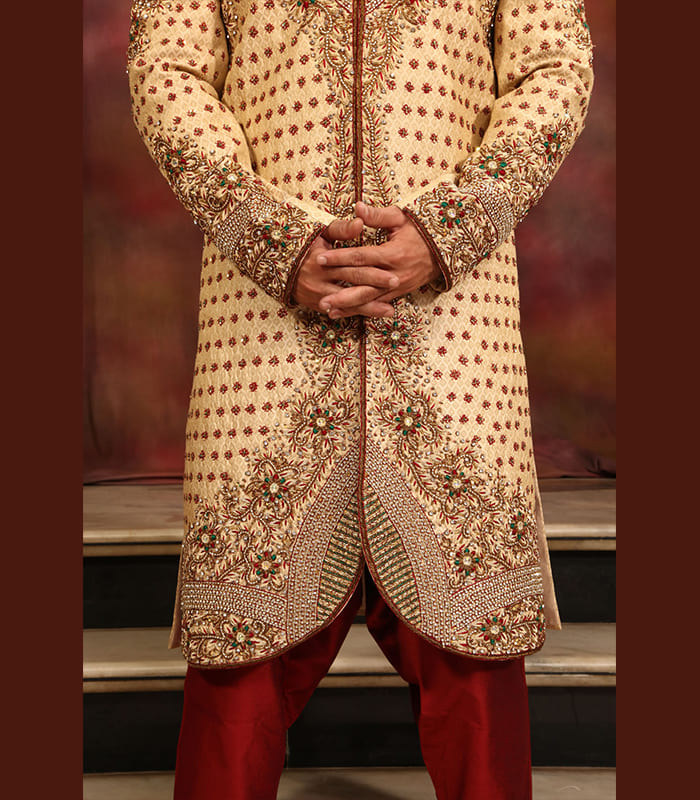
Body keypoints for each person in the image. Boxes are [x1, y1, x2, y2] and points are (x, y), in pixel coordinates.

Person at [127, 1, 594, 797]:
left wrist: (450, 227)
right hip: (265, 333)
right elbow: (167, 69)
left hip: (452, 328)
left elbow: (552, 68)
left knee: (474, 666)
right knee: (239, 670)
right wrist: (269, 236)